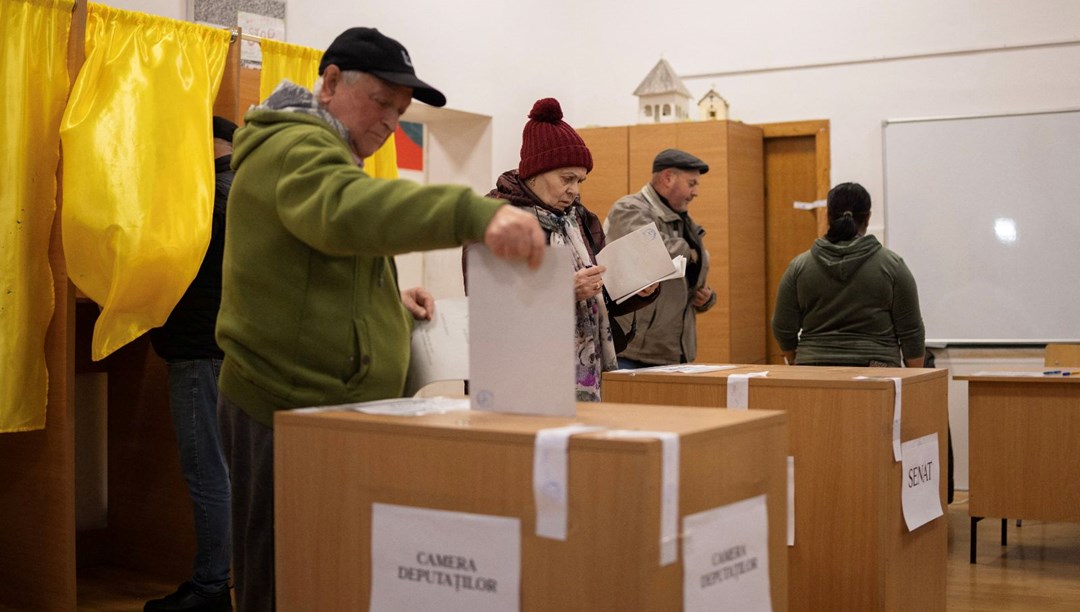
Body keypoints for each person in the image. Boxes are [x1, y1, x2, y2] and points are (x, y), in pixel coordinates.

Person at [215, 28, 545, 611]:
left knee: (324, 574)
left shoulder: (326, 153)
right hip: (282, 411)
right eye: (382, 103)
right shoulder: (296, 148)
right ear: (333, 81)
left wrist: (388, 304)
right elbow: (343, 215)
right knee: (283, 580)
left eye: (400, 112)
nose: (392, 122)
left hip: (327, 413)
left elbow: (315, 266)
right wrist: (472, 214)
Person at [470, 97, 658, 400]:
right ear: (533, 173)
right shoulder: (494, 219)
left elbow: (600, 293)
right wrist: (562, 290)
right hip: (518, 371)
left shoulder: (581, 218)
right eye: (566, 179)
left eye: (580, 180)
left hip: (585, 370)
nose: (575, 190)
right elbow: (485, 301)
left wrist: (636, 288)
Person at [144, 116, 236, 612]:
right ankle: (214, 581)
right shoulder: (241, 187)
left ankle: (210, 591)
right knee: (223, 472)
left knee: (207, 473)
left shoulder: (206, 195)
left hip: (200, 349)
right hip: (226, 349)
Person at [771, 181, 925, 367]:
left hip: (812, 372)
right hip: (878, 373)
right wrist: (913, 383)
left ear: (828, 216)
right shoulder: (893, 266)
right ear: (867, 217)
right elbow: (912, 333)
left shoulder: (799, 267)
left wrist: (798, 359)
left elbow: (782, 327)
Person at [604, 149, 717, 368]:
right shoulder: (628, 209)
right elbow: (655, 253)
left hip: (674, 351)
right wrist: (691, 252)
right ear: (667, 178)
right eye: (691, 184)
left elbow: (692, 271)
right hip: (633, 351)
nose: (695, 193)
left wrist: (706, 297)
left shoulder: (685, 221)